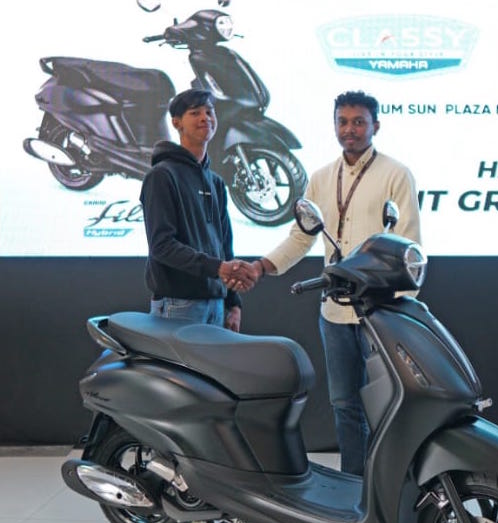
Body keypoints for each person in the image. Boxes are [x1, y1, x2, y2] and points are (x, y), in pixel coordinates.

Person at [250, 90, 421, 475]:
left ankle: (390, 484)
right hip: (335, 312)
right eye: (343, 122)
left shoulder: (396, 174)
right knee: (345, 405)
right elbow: (301, 238)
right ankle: (354, 484)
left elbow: (410, 246)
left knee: (388, 404)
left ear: (376, 126)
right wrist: (261, 266)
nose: (350, 130)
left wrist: (401, 312)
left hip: (380, 314)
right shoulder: (322, 178)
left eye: (359, 122)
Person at [140, 88, 258, 331]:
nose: (205, 118)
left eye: (209, 112)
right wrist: (218, 268)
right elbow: (162, 245)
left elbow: (225, 246)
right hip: (178, 305)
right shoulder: (161, 176)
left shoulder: (216, 182)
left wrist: (233, 303)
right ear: (176, 123)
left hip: (217, 305)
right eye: (195, 113)